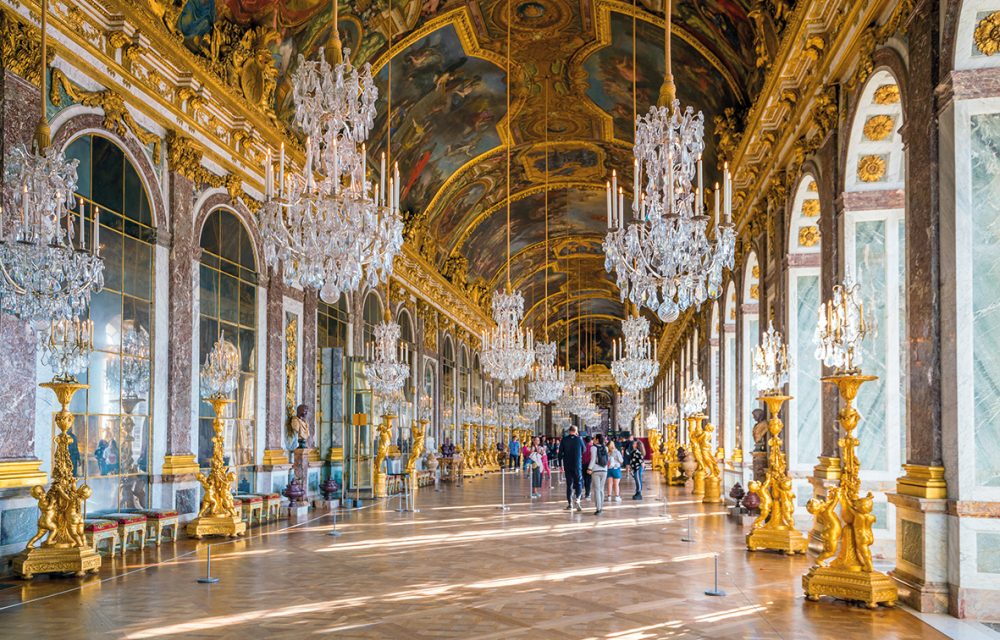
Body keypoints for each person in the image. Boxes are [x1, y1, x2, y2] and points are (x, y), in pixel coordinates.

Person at [558, 426, 585, 511]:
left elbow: (560, 454)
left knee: (569, 484)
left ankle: (570, 504)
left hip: (567, 465)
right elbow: (584, 450)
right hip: (577, 465)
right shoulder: (579, 439)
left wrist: (560, 465)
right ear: (576, 431)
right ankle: (578, 499)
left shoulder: (564, 440)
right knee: (579, 482)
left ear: (569, 431)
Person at [588, 433, 609, 515]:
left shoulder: (593, 447)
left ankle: (598, 509)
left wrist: (589, 468)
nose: (593, 439)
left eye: (594, 438)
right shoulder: (606, 448)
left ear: (597, 439)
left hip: (596, 470)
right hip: (604, 470)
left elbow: (593, 459)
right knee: (601, 489)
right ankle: (601, 507)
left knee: (596, 489)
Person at [629, 435, 646, 500]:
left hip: (638, 468)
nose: (633, 445)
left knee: (638, 480)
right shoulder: (634, 451)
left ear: (637, 445)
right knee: (636, 480)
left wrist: (642, 467)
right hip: (635, 468)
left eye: (634, 444)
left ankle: (639, 492)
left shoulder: (637, 452)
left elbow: (641, 460)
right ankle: (637, 491)